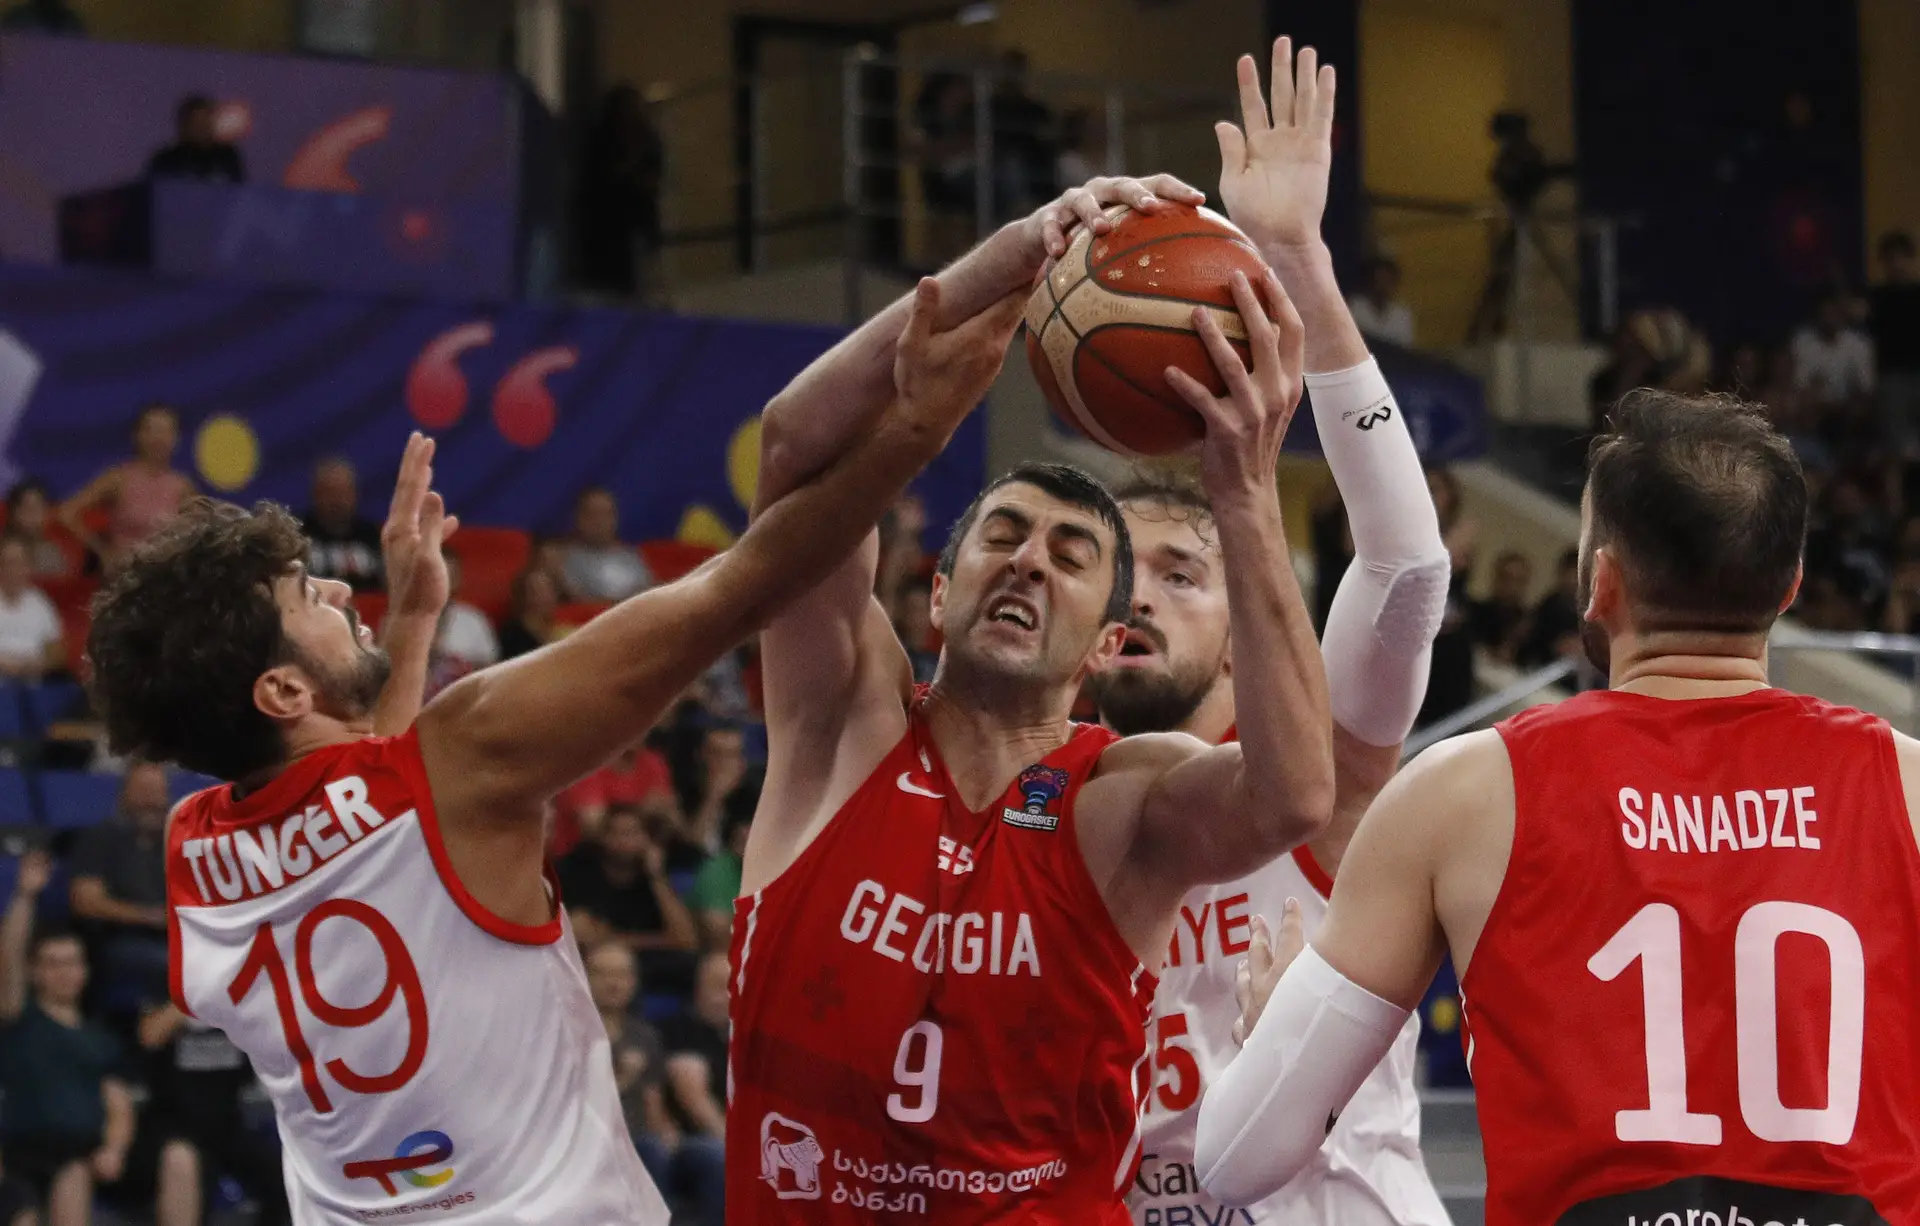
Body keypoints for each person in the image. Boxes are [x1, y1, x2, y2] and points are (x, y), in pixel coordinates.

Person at [82, 271, 1028, 1226]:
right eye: (304, 600)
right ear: (282, 691)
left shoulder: (194, 851)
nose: (335, 594)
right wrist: (916, 431)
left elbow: (364, 802)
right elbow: (737, 590)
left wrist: (412, 626)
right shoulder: (461, 758)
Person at [732, 170, 1335, 1222]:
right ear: (937, 593)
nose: (1028, 565)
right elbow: (792, 447)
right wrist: (1007, 261)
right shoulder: (842, 725)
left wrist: (1243, 490)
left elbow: (1290, 796)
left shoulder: (1122, 801)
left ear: (1107, 642)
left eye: (1069, 555)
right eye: (1002, 538)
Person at [1195, 390, 1920, 1222]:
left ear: (1600, 582)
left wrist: (1276, 1026)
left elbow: (1237, 1156)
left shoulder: (1461, 794)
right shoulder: (1907, 787)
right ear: (1789, 587)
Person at [1095, 41, 1451, 1226]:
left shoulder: (1320, 782)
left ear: (1245, 617)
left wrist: (1298, 263)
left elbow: (1405, 566)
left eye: (1181, 571)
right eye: (1120, 570)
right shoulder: (1049, 805)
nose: (1136, 595)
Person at [0, 853, 135, 1226]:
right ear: (35, 972)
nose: (64, 972)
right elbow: (8, 960)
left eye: (71, 962)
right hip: (15, 1155)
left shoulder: (100, 1037)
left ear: (85, 971)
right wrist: (25, 897)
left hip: (75, 1157)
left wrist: (114, 1149)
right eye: (52, 963)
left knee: (73, 1176)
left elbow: (118, 1103)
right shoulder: (19, 1018)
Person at [557, 806, 698, 993]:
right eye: (617, 833)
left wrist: (656, 876)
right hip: (593, 962)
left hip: (645, 964)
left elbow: (686, 940)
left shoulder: (654, 880)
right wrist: (660, 939)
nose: (624, 841)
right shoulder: (578, 870)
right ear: (602, 838)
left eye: (633, 833)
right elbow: (582, 934)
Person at [67, 762, 171, 1005]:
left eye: (158, 792)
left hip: (173, 937)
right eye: (144, 791)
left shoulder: (174, 839)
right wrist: (149, 916)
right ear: (124, 794)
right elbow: (86, 902)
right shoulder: (100, 838)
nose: (152, 801)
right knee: (176, 966)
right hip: (119, 939)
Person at [59, 404, 193, 574]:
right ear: (137, 435)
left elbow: (203, 531)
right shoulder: (118, 478)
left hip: (166, 580)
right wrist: (103, 552)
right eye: (152, 430)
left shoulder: (183, 485)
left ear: (176, 438)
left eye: (166, 431)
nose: (159, 438)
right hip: (125, 578)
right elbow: (67, 513)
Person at [660, 951, 730, 1215]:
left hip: (742, 1140)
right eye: (719, 987)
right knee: (719, 1156)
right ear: (698, 989)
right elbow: (695, 1101)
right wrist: (740, 1149)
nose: (729, 996)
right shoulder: (682, 1030)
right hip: (692, 1141)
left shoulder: (745, 1037)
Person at [301, 457, 384, 592]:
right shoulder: (299, 536)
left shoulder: (373, 537)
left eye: (343, 492)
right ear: (316, 493)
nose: (337, 500)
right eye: (330, 492)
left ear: (354, 493)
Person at [563, 487, 654, 602]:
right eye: (594, 514)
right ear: (579, 518)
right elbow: (579, 600)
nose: (600, 522)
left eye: (607, 514)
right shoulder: (563, 558)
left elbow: (650, 593)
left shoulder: (632, 556)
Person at [0, 537, 63, 681]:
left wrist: (40, 664)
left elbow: (57, 653)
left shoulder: (40, 602)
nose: (14, 569)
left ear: (29, 567)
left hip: (34, 683)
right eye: (9, 563)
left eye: (21, 563)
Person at [145, 95, 245, 184]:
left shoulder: (227, 157)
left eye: (205, 122)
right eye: (195, 123)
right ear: (184, 125)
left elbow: (239, 193)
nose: (201, 128)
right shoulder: (166, 160)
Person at [4, 481, 75, 579]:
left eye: (39, 507)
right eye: (28, 507)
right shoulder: (3, 548)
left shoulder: (50, 552)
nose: (34, 514)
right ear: (14, 512)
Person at [1346, 255, 1414, 348]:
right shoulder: (1355, 308)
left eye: (1388, 281)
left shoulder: (1402, 314)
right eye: (1380, 280)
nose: (1383, 285)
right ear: (1371, 281)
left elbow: (1406, 347)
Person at [497, 563, 560, 660]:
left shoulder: (561, 629)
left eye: (548, 590)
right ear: (522, 596)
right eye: (537, 591)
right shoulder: (511, 635)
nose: (546, 597)